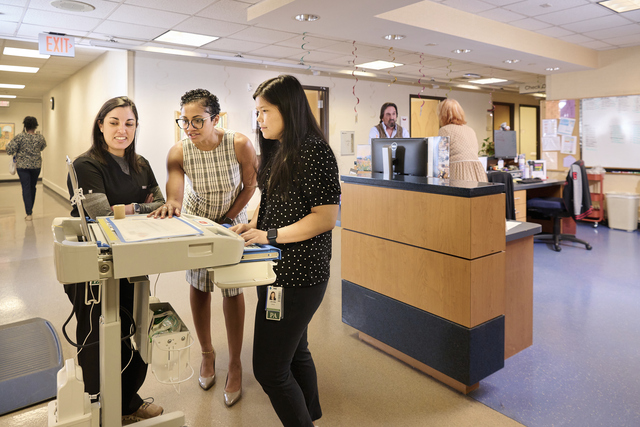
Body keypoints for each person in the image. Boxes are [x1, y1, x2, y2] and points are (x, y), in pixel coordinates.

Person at [231, 75, 341, 427]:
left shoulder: (314, 151)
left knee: (269, 369)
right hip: (275, 268)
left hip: (298, 276)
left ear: (288, 110)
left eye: (265, 111)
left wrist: (271, 234)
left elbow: (325, 218)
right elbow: (273, 199)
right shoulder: (279, 148)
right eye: (257, 112)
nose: (259, 119)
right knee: (295, 353)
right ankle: (310, 417)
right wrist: (254, 225)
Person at [150, 88, 257, 407]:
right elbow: (175, 194)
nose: (191, 127)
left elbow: (250, 186)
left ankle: (235, 363)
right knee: (199, 286)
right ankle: (207, 354)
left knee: (232, 288)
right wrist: (171, 206)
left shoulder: (238, 144)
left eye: (198, 120)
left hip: (231, 218)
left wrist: (226, 220)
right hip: (198, 219)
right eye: (185, 121)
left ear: (216, 119)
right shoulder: (179, 152)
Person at [63, 96, 165, 424]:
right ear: (100, 124)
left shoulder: (141, 163)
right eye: (114, 122)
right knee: (98, 334)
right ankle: (100, 406)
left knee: (132, 329)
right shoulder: (85, 165)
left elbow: (162, 205)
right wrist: (137, 206)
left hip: (133, 258)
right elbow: (100, 215)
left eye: (129, 123)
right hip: (95, 264)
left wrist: (128, 208)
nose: (122, 130)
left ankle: (126, 403)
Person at [6, 116, 47, 221]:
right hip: (36, 166)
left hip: (23, 167)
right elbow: (43, 147)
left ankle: (29, 213)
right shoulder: (40, 137)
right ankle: (30, 210)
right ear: (35, 126)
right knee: (33, 187)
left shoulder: (20, 137)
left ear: (25, 125)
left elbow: (10, 150)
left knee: (26, 188)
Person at [437, 98, 488, 182]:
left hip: (459, 173)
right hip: (478, 173)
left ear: (443, 115)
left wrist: (439, 182)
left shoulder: (444, 130)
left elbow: (442, 160)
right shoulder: (470, 130)